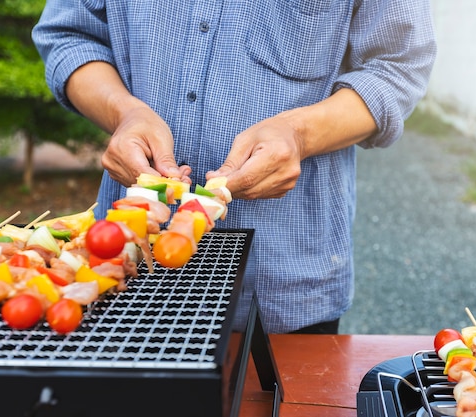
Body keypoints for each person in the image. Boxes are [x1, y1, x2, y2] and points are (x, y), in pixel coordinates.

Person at [32, 0, 437, 334]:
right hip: (119, 264)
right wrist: (124, 112)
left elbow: (397, 68)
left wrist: (299, 134)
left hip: (281, 278)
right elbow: (70, 35)